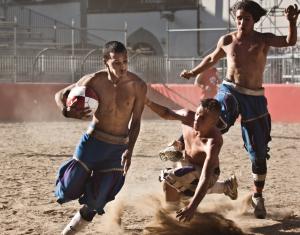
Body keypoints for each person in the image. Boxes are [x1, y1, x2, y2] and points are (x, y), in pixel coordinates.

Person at [165, 1, 300, 219]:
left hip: (255, 99)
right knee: (213, 117)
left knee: (258, 154)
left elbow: (289, 41)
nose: (241, 22)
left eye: (246, 18)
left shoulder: (263, 39)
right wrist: (193, 72)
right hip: (229, 90)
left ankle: (258, 196)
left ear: (254, 20)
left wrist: (292, 21)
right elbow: (211, 58)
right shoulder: (227, 40)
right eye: (238, 18)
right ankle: (179, 142)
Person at [54, 41, 147, 234]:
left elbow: (136, 121)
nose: (122, 66)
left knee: (96, 201)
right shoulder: (93, 80)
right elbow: (60, 94)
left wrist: (130, 150)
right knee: (69, 189)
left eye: (125, 61)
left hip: (117, 149)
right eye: (116, 62)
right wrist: (66, 111)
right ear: (105, 61)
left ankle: (68, 232)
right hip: (92, 143)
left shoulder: (138, 85)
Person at [146, 98, 238, 222]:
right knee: (168, 176)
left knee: (175, 176)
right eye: (197, 114)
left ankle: (185, 203)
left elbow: (206, 177)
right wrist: (148, 102)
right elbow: (167, 112)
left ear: (214, 122)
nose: (197, 119)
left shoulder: (213, 142)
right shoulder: (188, 117)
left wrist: (192, 207)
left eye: (203, 118)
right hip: (188, 164)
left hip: (209, 174)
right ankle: (173, 219)